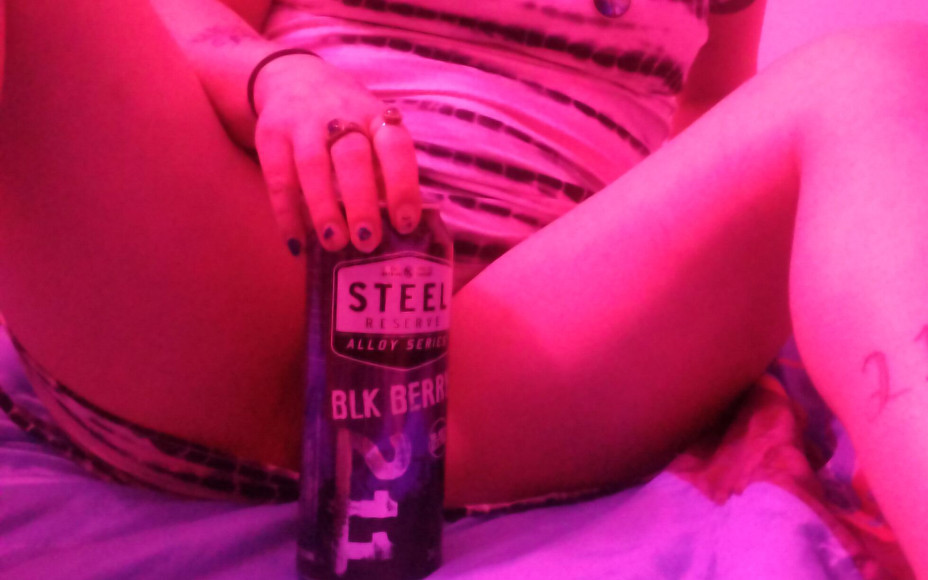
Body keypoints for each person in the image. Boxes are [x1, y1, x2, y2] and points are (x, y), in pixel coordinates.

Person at [1, 0, 926, 575]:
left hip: (520, 353)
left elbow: (711, 112)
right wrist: (279, 78)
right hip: (234, 280)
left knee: (878, 72)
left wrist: (682, 290)